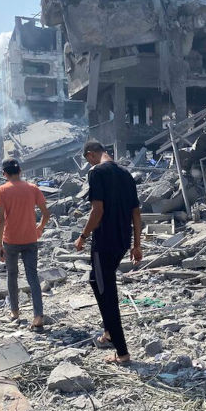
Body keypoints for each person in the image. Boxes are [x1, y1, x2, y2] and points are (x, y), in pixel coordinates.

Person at [75, 139, 143, 364]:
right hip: (123, 240)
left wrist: (83, 236)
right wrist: (136, 244)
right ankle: (108, 332)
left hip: (104, 241)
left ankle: (122, 352)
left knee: (107, 292)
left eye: (87, 159)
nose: (89, 163)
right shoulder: (126, 174)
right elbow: (136, 213)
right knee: (97, 280)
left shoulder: (96, 173)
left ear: (91, 154)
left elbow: (97, 210)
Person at [0, 158, 50, 331]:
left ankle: (15, 311)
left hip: (10, 240)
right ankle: (38, 315)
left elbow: (1, 220)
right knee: (32, 277)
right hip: (30, 239)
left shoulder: (1, 190)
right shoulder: (32, 188)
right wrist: (39, 228)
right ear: (20, 171)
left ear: (4, 173)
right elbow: (46, 214)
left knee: (12, 275)